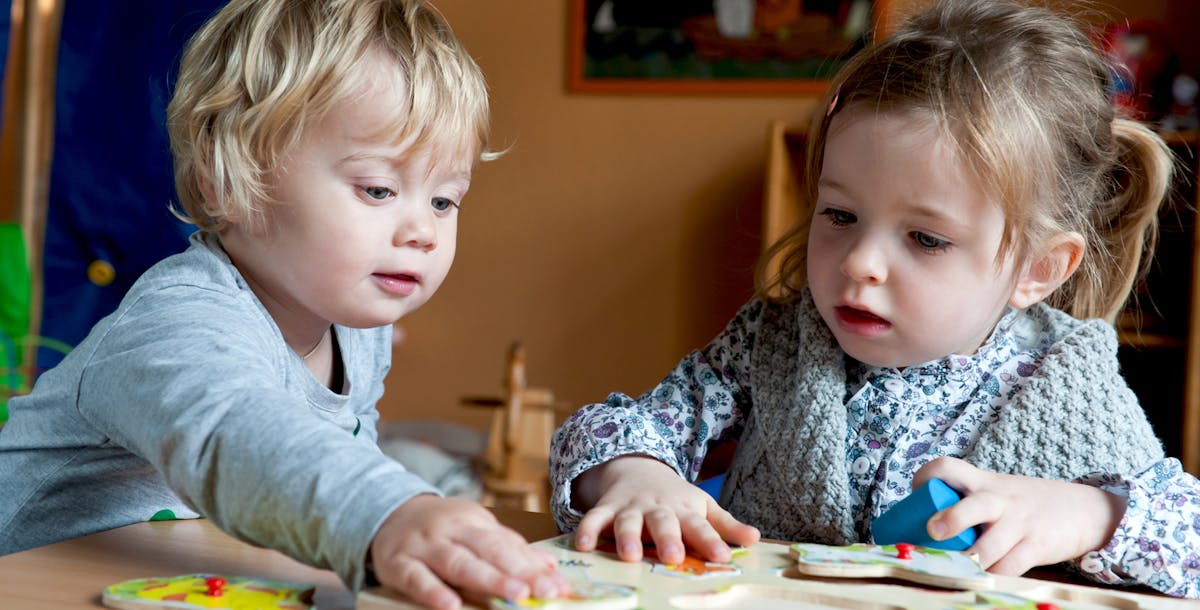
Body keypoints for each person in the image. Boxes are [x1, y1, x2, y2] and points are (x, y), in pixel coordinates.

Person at [550, 0, 1200, 598]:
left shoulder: (1067, 383)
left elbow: (1189, 533)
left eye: (924, 238)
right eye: (839, 215)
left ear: (1038, 268)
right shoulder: (772, 342)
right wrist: (637, 476)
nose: (860, 262)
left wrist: (1091, 516)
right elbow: (609, 429)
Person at [0, 1, 568, 608]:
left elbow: (331, 470)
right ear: (230, 180)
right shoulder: (176, 320)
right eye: (378, 188)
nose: (424, 232)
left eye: (444, 201)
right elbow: (238, 437)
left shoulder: (356, 328)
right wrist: (388, 514)